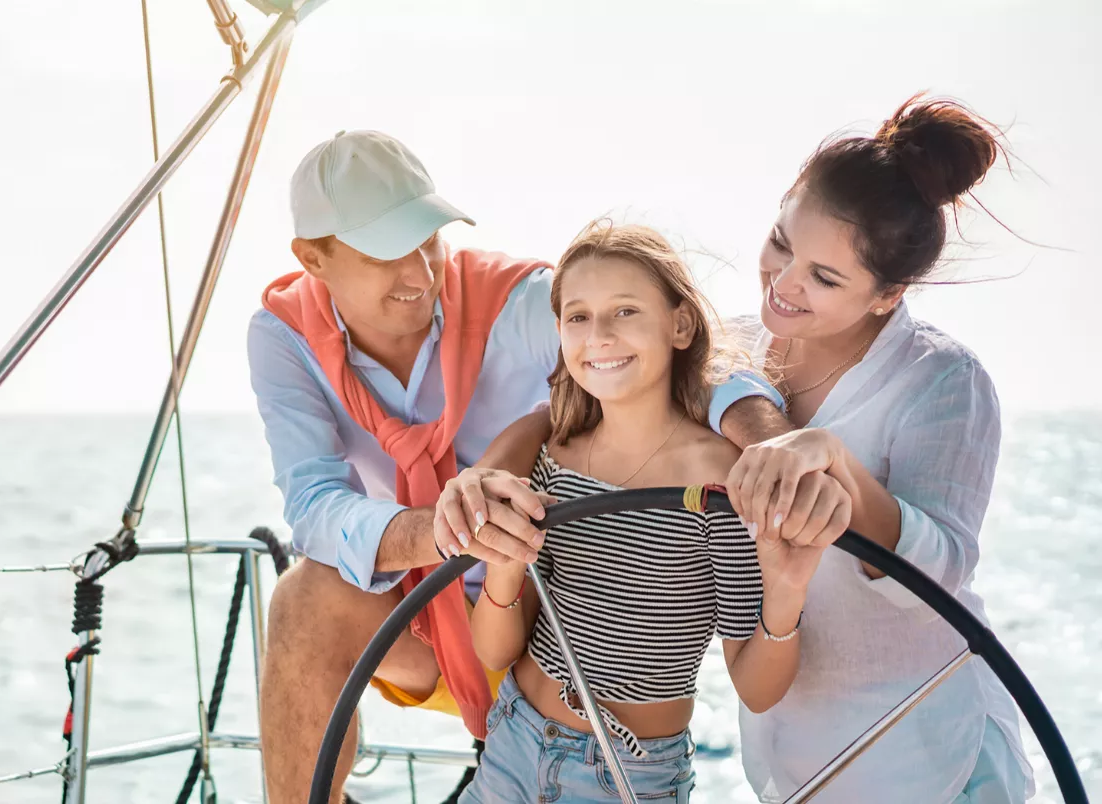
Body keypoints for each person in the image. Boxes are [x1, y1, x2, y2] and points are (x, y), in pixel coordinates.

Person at [442, 95, 1034, 803]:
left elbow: (942, 572)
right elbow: (595, 407)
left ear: (888, 294)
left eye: (825, 277)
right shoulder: (735, 346)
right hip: (787, 756)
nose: (784, 285)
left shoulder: (945, 382)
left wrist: (830, 461)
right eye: (782, 242)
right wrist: (482, 478)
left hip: (920, 746)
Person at [247, 129, 788, 803]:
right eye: (386, 254)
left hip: (545, 615)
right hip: (427, 623)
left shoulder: (524, 298)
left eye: (428, 240)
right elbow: (314, 508)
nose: (419, 273)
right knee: (303, 597)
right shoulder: (282, 336)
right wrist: (453, 530)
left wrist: (769, 448)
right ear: (312, 259)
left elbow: (683, 362)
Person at [437, 221, 849, 803]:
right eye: (578, 316)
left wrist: (786, 588)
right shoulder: (554, 454)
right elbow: (496, 652)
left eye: (625, 311)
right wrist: (506, 568)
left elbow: (756, 689)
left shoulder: (723, 484)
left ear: (679, 325)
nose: (598, 334)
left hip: (628, 778)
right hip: (513, 742)